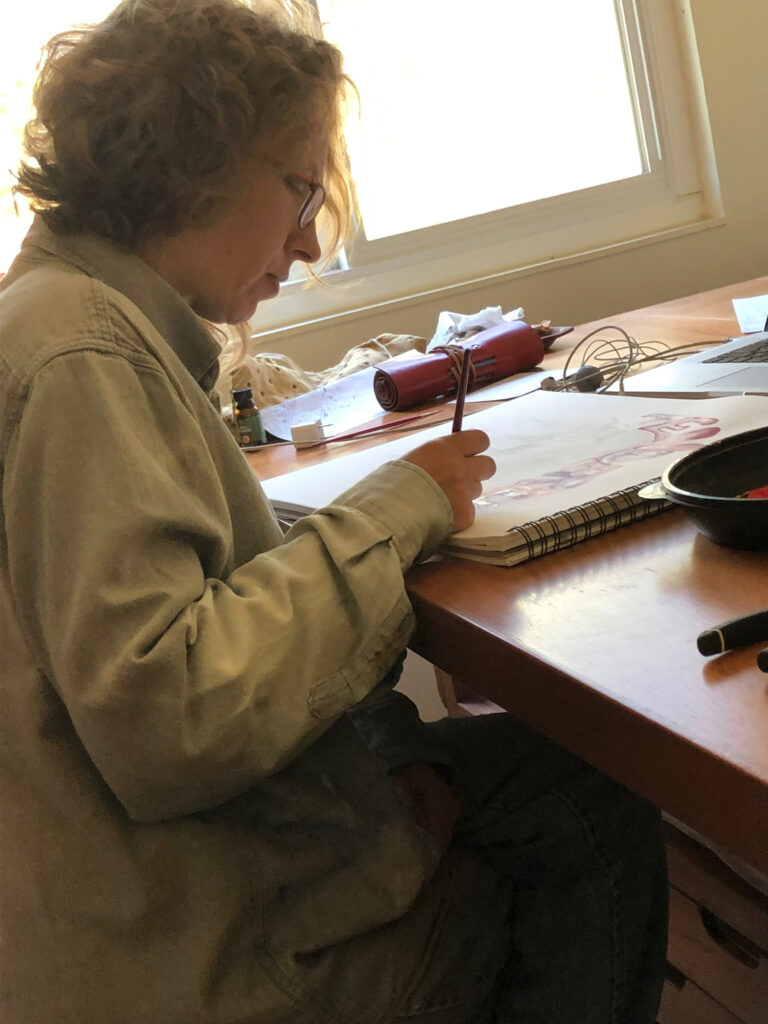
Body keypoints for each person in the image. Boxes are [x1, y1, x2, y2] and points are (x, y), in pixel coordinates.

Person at [0, 1, 668, 1021]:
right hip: (192, 951)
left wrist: (386, 750)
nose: (311, 241)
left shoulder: (56, 315)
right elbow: (173, 715)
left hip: (126, 882)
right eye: (303, 187)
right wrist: (394, 511)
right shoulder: (83, 357)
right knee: (589, 809)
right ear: (197, 162)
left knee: (525, 770)